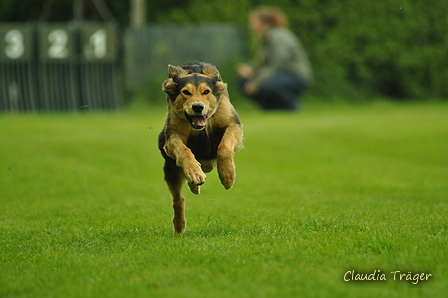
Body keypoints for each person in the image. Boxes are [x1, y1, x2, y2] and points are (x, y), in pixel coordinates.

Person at [237, 6, 313, 111]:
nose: (250, 24)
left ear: (263, 23)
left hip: (295, 76)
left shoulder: (280, 37)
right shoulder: (263, 37)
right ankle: (270, 109)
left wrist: (256, 83)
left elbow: (276, 66)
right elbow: (263, 63)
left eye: (253, 21)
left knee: (268, 85)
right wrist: (250, 69)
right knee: (243, 80)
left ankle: (291, 107)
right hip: (278, 74)